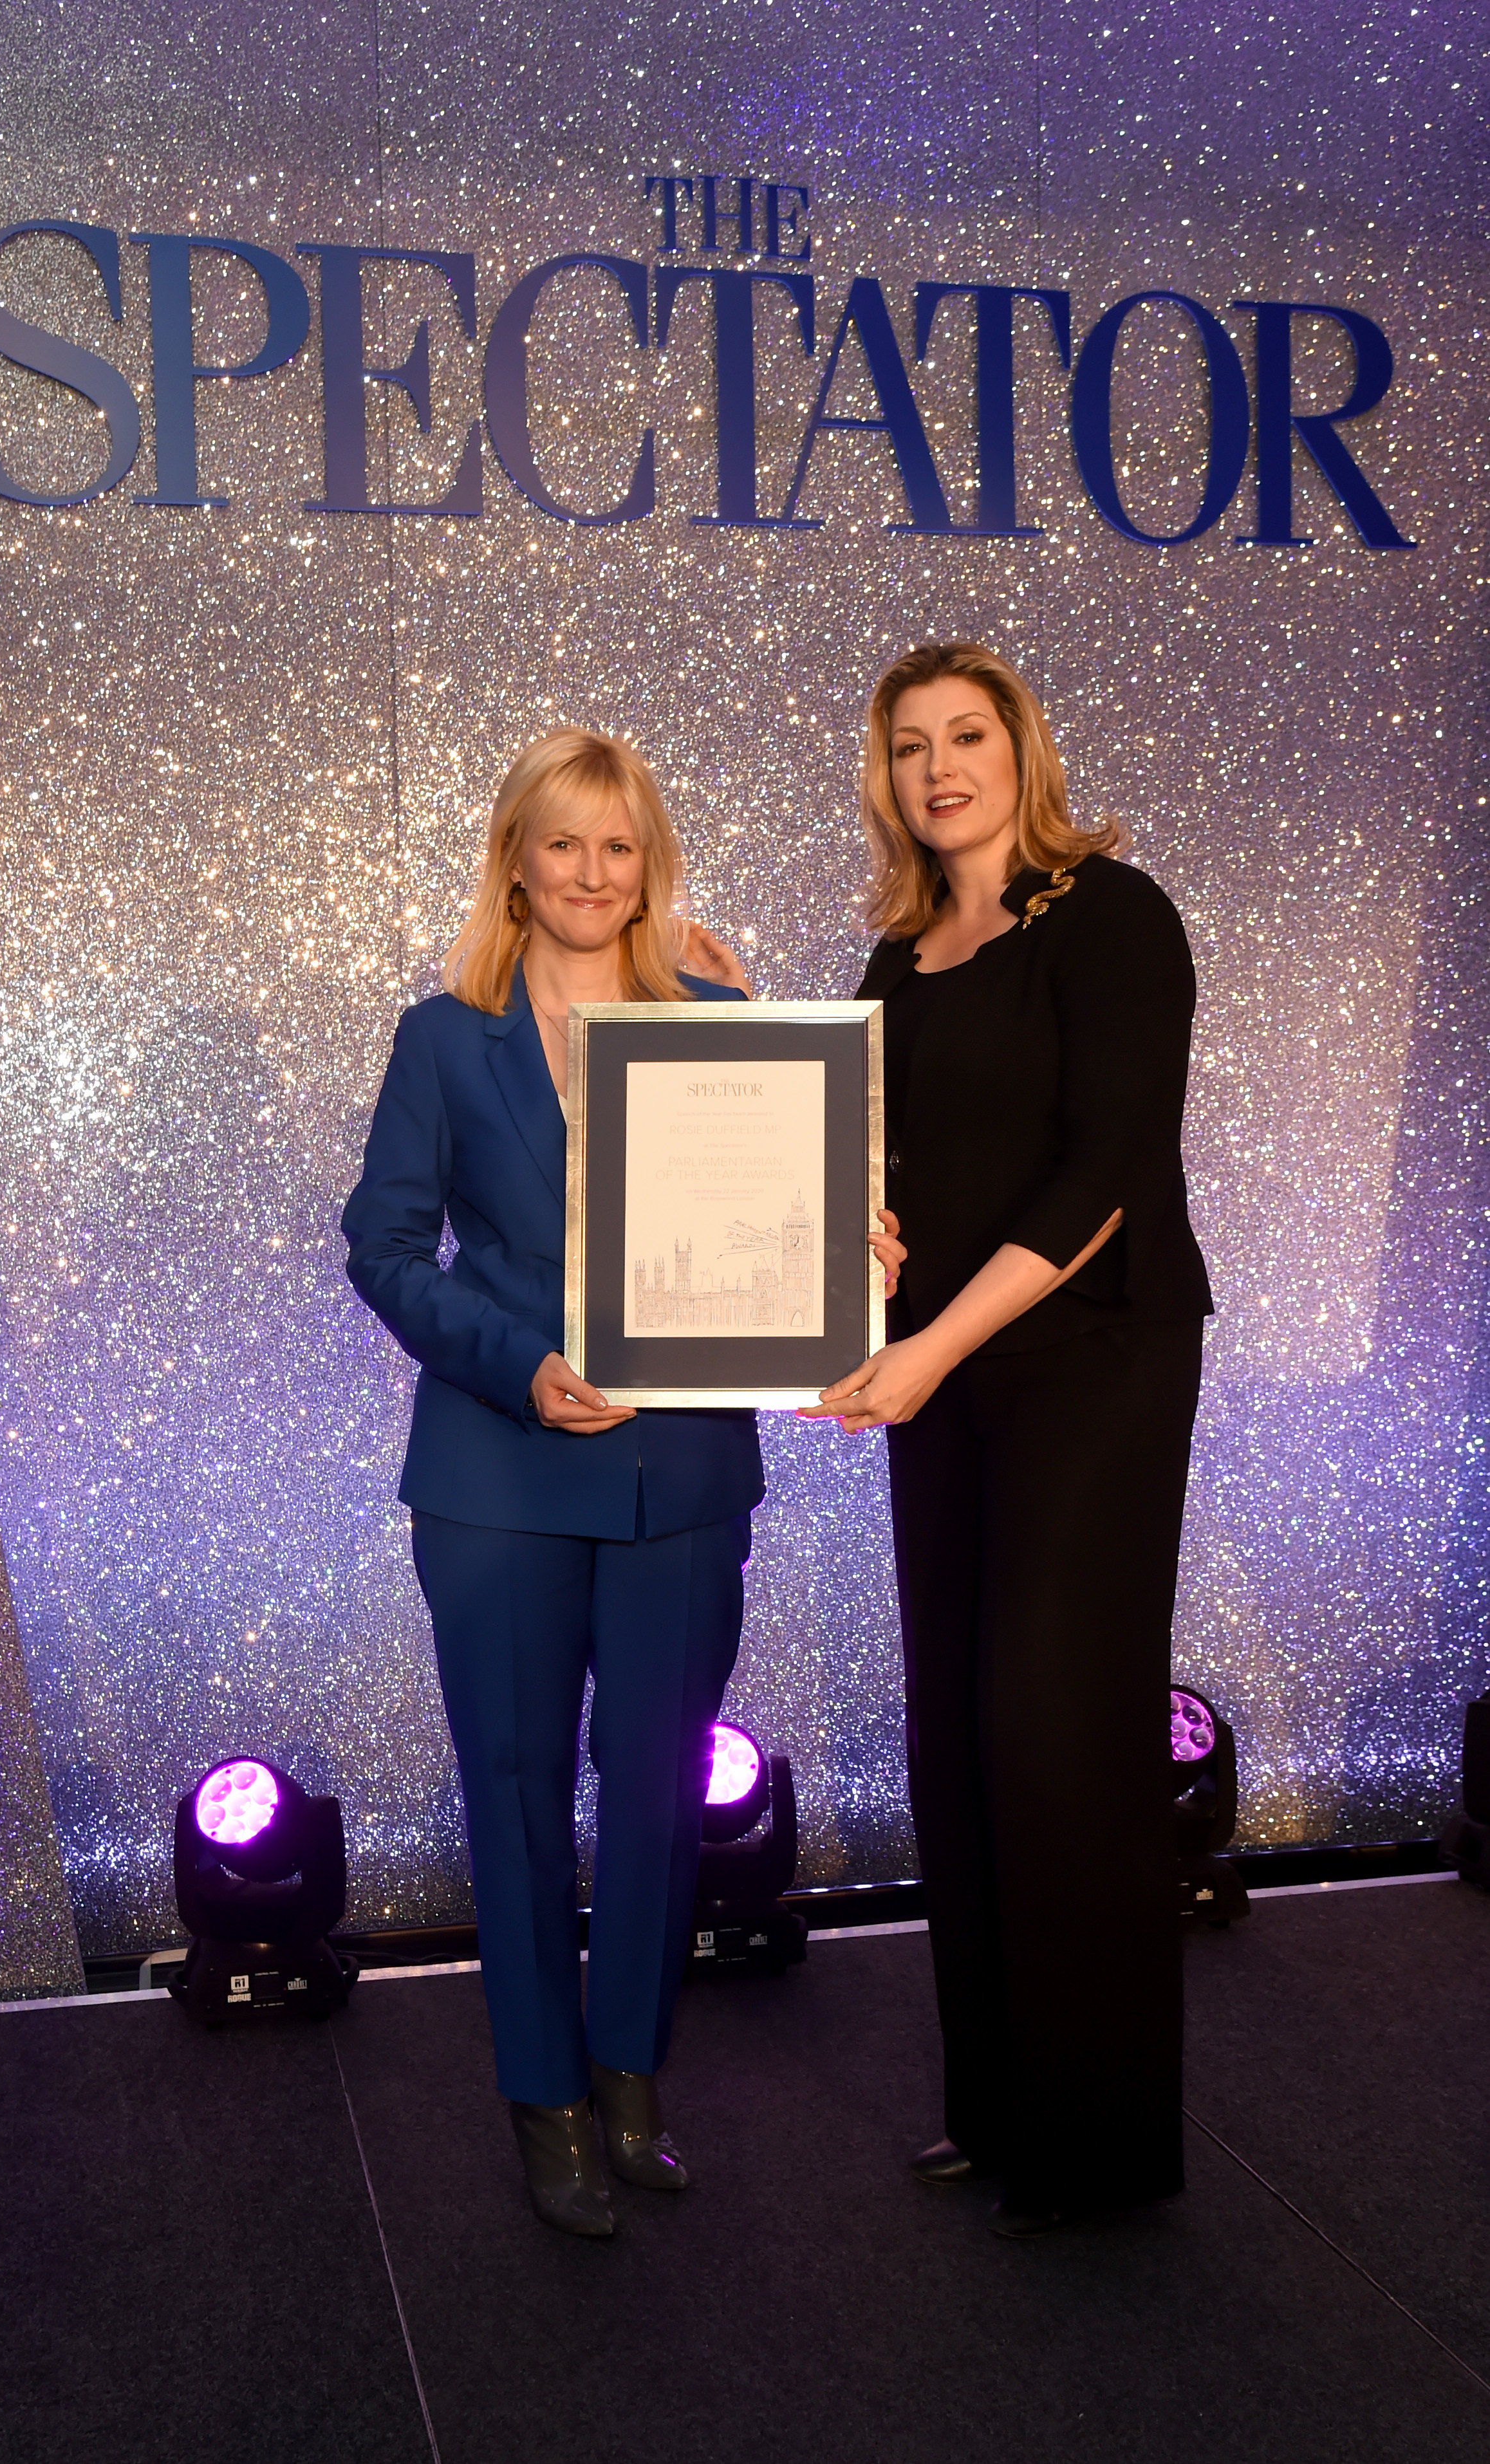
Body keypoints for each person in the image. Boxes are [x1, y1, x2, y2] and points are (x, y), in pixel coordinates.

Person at [800, 640, 1213, 2237]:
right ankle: (1000, 2115)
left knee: (1059, 1738)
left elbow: (1107, 1171)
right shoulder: (899, 952)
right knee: (962, 1737)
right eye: (910, 746)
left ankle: (1100, 2148)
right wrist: (869, 1235)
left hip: (1089, 1365)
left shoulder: (1113, 915)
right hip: (944, 1374)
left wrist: (931, 1348)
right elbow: (854, 1156)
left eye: (967, 735)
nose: (940, 767)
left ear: (1021, 749)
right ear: (886, 776)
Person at [342, 728, 759, 2238]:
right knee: (514, 1790)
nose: (592, 872)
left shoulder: (720, 1015)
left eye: (620, 844)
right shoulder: (445, 1033)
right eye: (563, 842)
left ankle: (632, 2069)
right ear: (515, 857)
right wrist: (520, 1365)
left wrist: (854, 1249)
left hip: (685, 1465)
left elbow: (789, 1214)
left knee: (656, 1789)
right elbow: (382, 1246)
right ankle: (545, 2095)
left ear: (650, 862)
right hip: (498, 1470)